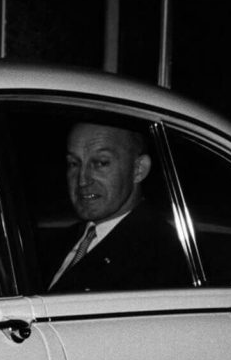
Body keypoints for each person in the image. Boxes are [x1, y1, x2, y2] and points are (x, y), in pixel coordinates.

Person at [45, 121, 191, 293]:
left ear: (138, 169)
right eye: (73, 164)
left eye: (100, 163)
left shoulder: (159, 257)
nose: (82, 180)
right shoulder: (52, 243)